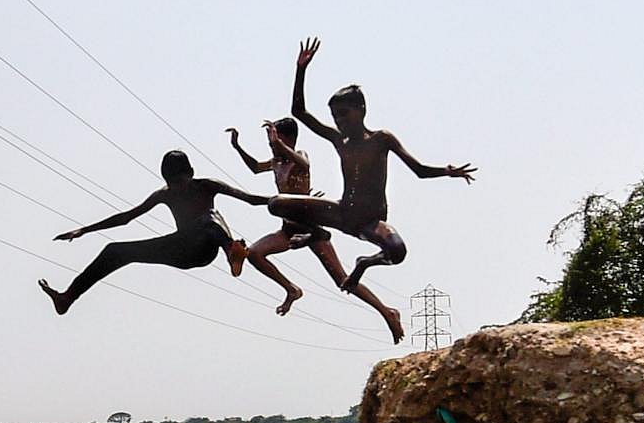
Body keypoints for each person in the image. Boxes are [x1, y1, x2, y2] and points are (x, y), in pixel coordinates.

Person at [268, 37, 476, 298]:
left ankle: (363, 263)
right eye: (335, 116)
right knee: (276, 204)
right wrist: (301, 69)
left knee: (397, 251)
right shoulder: (338, 139)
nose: (339, 120)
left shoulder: (381, 139)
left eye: (344, 114)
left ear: (361, 110)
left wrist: (446, 171)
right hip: (343, 214)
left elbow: (419, 170)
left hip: (370, 221)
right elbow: (299, 111)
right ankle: (317, 234)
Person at [227, 117, 407, 342]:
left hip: (312, 231)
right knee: (254, 253)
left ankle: (387, 311)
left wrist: (279, 145)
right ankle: (291, 289)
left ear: (288, 139)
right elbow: (255, 168)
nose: (272, 144)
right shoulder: (275, 162)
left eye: (276, 139)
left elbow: (305, 165)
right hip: (288, 230)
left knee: (342, 280)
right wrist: (237, 146)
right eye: (270, 140)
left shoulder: (299, 157)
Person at [39, 151, 267, 315]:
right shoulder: (164, 194)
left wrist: (290, 203)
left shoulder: (207, 185)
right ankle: (67, 298)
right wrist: (85, 230)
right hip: (182, 250)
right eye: (171, 183)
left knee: (209, 218)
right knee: (114, 251)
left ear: (191, 173)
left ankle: (232, 252)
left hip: (207, 247)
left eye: (179, 182)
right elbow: (127, 217)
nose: (176, 188)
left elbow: (251, 200)